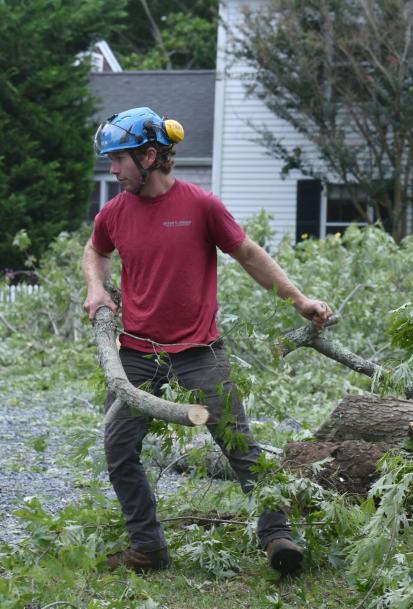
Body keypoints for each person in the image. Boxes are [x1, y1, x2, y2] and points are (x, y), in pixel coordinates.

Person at [82, 107, 333, 575]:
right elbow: (95, 250)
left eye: (118, 160)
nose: (112, 170)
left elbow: (250, 254)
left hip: (199, 352)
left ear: (150, 156)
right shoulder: (115, 212)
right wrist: (97, 288)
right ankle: (148, 548)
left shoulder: (201, 206)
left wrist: (300, 300)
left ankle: (278, 536)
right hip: (137, 353)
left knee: (241, 447)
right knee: (118, 447)